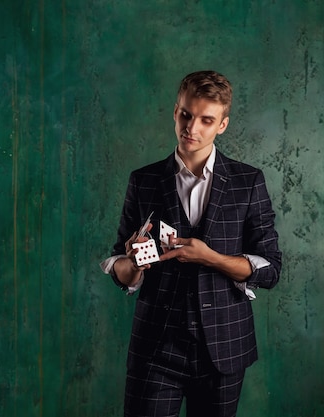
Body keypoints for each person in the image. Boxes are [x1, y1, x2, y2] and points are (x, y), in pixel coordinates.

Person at [100, 70, 281, 417]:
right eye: (185, 114)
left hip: (224, 349)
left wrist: (212, 258)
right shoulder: (144, 180)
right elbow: (118, 268)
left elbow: (271, 268)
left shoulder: (248, 182)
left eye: (206, 120)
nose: (191, 128)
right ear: (175, 111)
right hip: (156, 349)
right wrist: (133, 265)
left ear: (222, 125)